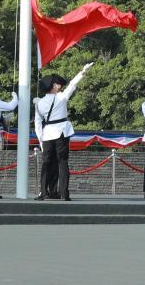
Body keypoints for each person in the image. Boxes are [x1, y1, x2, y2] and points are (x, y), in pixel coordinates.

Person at [34, 62, 94, 200]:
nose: (58, 85)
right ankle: (64, 194)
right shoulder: (61, 97)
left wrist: (41, 140)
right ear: (53, 87)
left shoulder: (39, 103)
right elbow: (73, 85)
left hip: (47, 134)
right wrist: (82, 71)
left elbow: (38, 124)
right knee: (62, 163)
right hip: (61, 132)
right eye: (56, 84)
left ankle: (43, 192)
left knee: (46, 164)